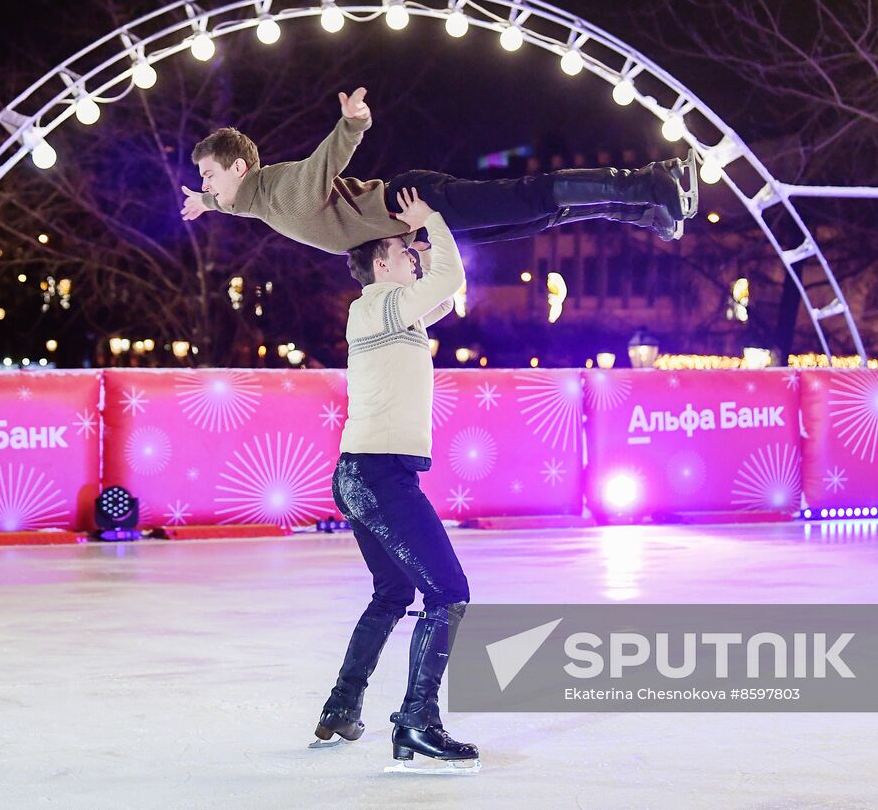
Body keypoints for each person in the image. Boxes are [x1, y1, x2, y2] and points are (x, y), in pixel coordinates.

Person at [310, 188, 480, 775]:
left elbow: (440, 291)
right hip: (379, 476)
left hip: (364, 473)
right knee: (448, 594)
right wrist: (430, 219)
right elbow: (449, 279)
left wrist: (422, 243)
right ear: (380, 263)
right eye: (402, 250)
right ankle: (417, 721)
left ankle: (342, 703)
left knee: (393, 593)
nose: (412, 254)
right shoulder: (380, 303)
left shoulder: (392, 311)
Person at [181, 87, 697, 251]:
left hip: (412, 202)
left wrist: (351, 125)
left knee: (530, 196)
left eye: (210, 176)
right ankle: (646, 213)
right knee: (533, 220)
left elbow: (323, 165)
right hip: (420, 221)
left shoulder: (281, 192)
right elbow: (235, 204)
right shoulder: (250, 201)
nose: (207, 185)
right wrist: (204, 202)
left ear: (242, 168)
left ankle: (649, 181)